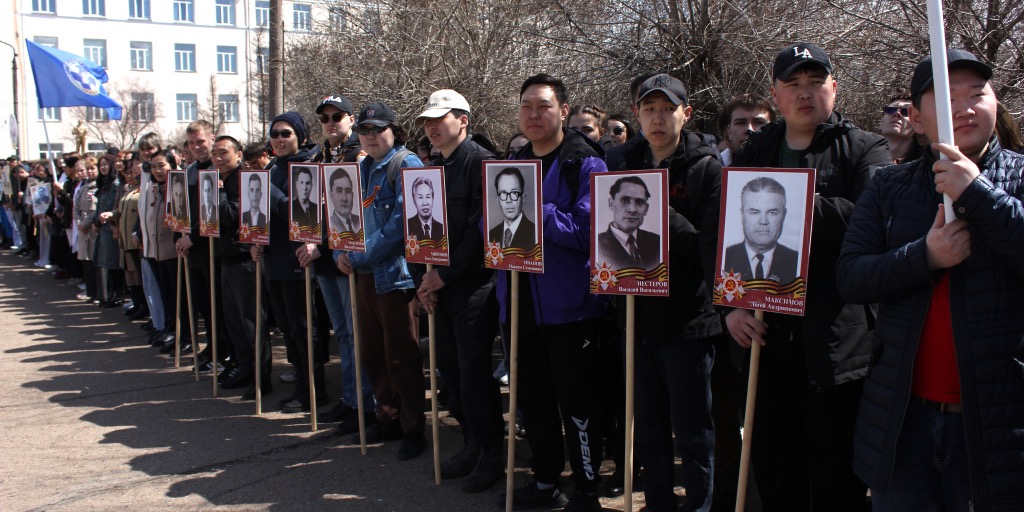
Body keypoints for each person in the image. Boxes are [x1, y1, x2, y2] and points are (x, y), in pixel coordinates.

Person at [838, 49, 1024, 512]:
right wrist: (924, 256)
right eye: (946, 97)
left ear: (996, 104)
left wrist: (976, 193)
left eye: (977, 94)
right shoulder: (888, 187)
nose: (964, 108)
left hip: (999, 426)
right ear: (917, 120)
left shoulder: (1020, 177)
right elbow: (853, 276)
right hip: (902, 424)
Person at [725, 42, 891, 512]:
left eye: (815, 82)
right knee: (778, 470)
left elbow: (872, 223)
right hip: (766, 338)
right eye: (792, 84)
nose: (804, 93)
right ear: (775, 95)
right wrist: (731, 307)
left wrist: (795, 201)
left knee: (837, 474)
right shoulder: (755, 148)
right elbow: (726, 233)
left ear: (833, 89)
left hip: (837, 344)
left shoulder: (864, 148)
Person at [609, 72, 722, 512]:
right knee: (648, 428)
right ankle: (657, 503)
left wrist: (661, 216)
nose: (658, 118)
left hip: (688, 321)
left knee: (693, 430)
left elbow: (709, 248)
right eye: (649, 109)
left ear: (685, 114)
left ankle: (699, 504)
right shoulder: (620, 162)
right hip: (635, 318)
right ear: (637, 114)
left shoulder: (706, 169)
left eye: (667, 109)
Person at [497, 73, 607, 512]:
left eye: (543, 106)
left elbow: (588, 230)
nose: (534, 114)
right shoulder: (512, 164)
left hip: (572, 311)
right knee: (533, 404)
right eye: (526, 106)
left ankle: (586, 489)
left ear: (563, 111)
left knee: (577, 409)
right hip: (519, 307)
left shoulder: (586, 162)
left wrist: (534, 209)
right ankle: (545, 481)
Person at [414, 88, 503, 492]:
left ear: (463, 120)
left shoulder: (481, 163)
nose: (432, 127)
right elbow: (422, 229)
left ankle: (491, 454)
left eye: (440, 119)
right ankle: (470, 443)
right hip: (441, 286)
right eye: (428, 121)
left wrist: (443, 277)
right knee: (449, 370)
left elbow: (479, 233)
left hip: (472, 288)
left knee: (474, 375)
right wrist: (425, 279)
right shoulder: (432, 167)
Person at [333, 101, 427, 460]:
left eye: (378, 129)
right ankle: (387, 416)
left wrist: (358, 255)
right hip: (363, 275)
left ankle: (413, 427)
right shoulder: (363, 168)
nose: (371, 136)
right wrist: (339, 251)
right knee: (372, 353)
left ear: (394, 130)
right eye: (365, 130)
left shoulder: (407, 164)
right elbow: (346, 217)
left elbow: (401, 226)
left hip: (394, 277)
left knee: (401, 355)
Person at [254, 111, 328, 413]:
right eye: (275, 134)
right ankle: (300, 384)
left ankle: (314, 391)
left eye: (286, 134)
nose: (280, 139)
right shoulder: (274, 168)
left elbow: (301, 213)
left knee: (303, 329)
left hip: (298, 260)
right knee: (287, 329)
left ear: (301, 136)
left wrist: (271, 193)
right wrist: (255, 238)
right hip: (275, 259)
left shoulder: (308, 167)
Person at [210, 135, 273, 399]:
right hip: (225, 261)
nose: (218, 157)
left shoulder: (243, 181)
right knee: (233, 322)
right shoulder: (216, 180)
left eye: (224, 152)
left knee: (252, 323)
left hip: (244, 260)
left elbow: (230, 217)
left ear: (238, 155)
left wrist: (220, 192)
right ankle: (244, 367)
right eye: (215, 153)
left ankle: (261, 377)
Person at [721, 177, 798, 283]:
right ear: (742, 215)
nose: (763, 221)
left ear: (784, 215)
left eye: (772, 213)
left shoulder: (798, 262)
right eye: (755, 212)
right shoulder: (724, 258)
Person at [596, 175, 661, 271]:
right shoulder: (597, 244)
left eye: (639, 202)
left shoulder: (658, 243)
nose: (632, 209)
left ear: (646, 209)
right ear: (611, 204)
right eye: (625, 200)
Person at [719, 93, 774, 166]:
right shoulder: (714, 172)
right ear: (729, 132)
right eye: (740, 123)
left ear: (773, 130)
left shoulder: (790, 166)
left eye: (758, 122)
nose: (749, 129)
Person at [487, 167, 536, 250]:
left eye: (514, 193)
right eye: (503, 193)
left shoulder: (535, 232)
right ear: (498, 199)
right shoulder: (492, 234)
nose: (508, 200)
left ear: (523, 198)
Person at [878, 93, 916, 163]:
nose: (897, 113)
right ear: (881, 123)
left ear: (918, 124)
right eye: (890, 110)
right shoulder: (862, 160)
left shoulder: (925, 166)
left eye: (905, 112)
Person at [406, 176, 442, 243]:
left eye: (428, 196)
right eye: (420, 197)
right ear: (414, 200)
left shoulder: (442, 228)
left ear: (433, 198)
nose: (425, 203)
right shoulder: (407, 226)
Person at [326, 167, 359, 233]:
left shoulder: (360, 221)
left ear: (352, 195)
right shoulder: (328, 224)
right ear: (331, 195)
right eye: (339, 191)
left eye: (348, 191)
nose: (344, 198)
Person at [290, 166, 317, 230]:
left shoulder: (317, 208)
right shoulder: (290, 207)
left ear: (311, 186)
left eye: (307, 183)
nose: (304, 187)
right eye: (301, 182)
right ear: (296, 185)